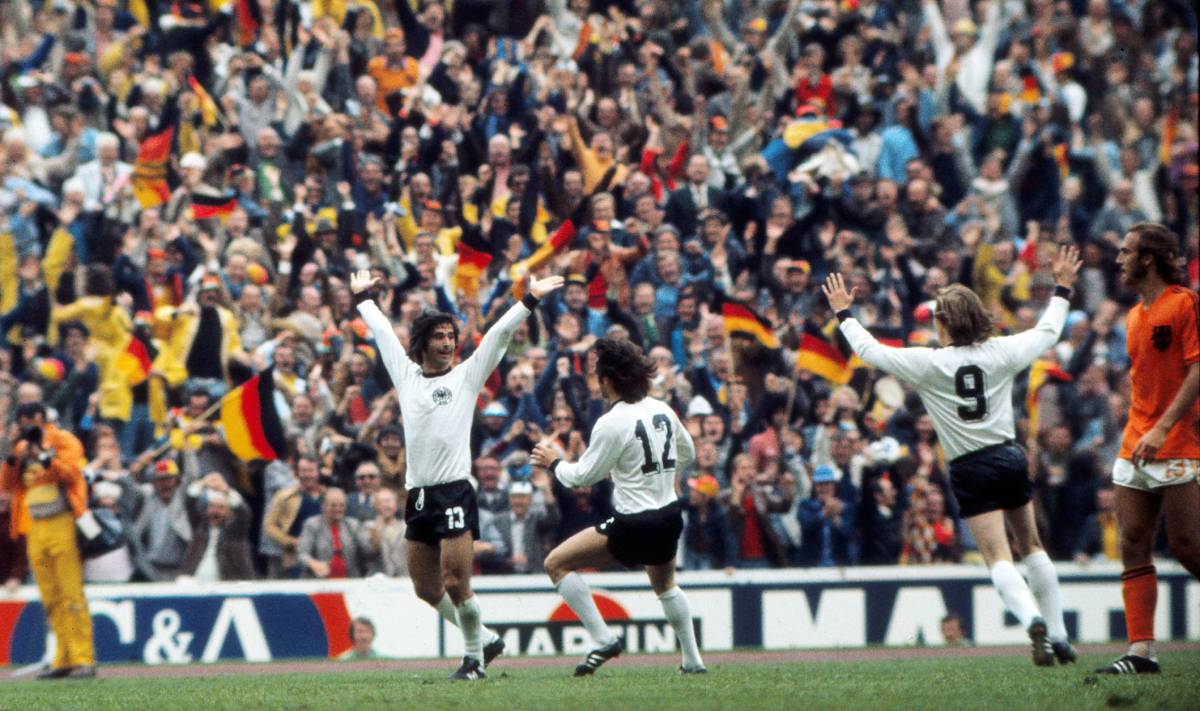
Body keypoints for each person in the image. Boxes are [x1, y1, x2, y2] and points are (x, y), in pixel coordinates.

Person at [822, 245, 1082, 667]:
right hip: (1009, 456)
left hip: (969, 466)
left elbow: (870, 352)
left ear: (943, 323)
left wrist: (844, 314)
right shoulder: (1002, 351)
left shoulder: (930, 363)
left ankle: (1031, 618)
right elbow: (1049, 332)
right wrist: (1064, 287)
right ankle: (1060, 634)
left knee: (997, 557)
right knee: (1032, 546)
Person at [352, 268, 563, 680]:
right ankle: (485, 637)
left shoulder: (467, 376)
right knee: (426, 588)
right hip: (418, 496)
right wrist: (363, 298)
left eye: (451, 336)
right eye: (439, 337)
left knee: (455, 580)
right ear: (423, 343)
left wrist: (529, 299)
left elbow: (499, 335)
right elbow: (381, 332)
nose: (448, 343)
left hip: (453, 492)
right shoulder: (407, 376)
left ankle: (474, 661)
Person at [531, 337, 705, 676]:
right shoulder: (662, 409)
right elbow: (688, 454)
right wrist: (662, 477)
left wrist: (554, 462)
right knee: (666, 586)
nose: (597, 384)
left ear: (608, 379)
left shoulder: (612, 421)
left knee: (556, 564)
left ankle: (603, 639)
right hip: (670, 516)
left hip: (634, 524)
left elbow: (579, 477)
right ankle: (693, 661)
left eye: (598, 376)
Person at [1096, 224, 1199, 675]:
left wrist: (1163, 427)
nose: (1118, 260)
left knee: (1187, 545)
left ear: (1149, 259)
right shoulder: (1134, 315)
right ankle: (1141, 651)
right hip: (1136, 440)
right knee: (1133, 541)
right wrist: (1140, 428)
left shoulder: (1185, 304)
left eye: (1126, 251)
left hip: (1177, 440)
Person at [0, 404, 97, 679]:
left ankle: (83, 657)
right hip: (33, 526)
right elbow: (6, 485)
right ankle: (62, 658)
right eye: (24, 420)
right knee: (50, 596)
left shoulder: (63, 441)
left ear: (44, 419)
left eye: (32, 419)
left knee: (70, 592)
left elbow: (70, 474)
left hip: (62, 521)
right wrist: (11, 453)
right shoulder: (20, 450)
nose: (29, 424)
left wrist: (44, 455)